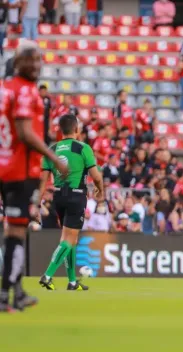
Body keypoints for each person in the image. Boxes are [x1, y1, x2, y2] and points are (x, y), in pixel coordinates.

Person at [0, 41, 69, 312]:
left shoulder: (5, 90)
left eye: (39, 60)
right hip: (19, 169)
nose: (36, 65)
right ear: (18, 63)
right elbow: (26, 133)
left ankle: (16, 292)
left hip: (7, 166)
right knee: (17, 232)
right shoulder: (25, 92)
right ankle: (6, 294)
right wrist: (54, 158)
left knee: (13, 229)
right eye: (31, 61)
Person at [38, 114, 104, 291]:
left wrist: (36, 203)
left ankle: (72, 281)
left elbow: (43, 181)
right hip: (76, 196)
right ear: (77, 129)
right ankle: (48, 274)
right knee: (69, 239)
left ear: (60, 130)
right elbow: (96, 175)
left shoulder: (51, 149)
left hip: (58, 197)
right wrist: (100, 190)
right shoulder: (83, 148)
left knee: (69, 239)